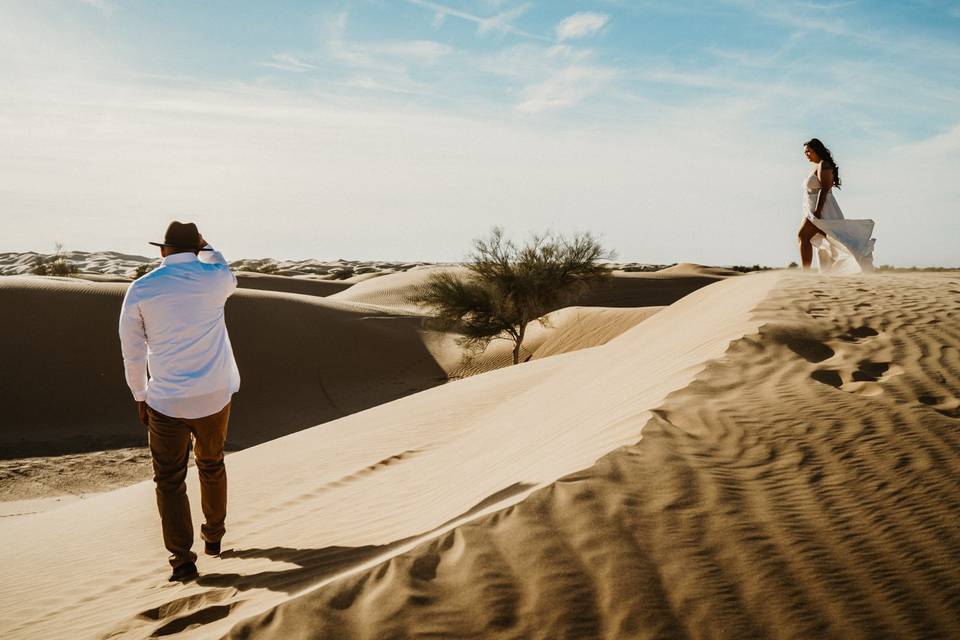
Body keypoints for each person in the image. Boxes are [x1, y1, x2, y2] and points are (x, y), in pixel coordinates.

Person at [118, 221, 241, 582]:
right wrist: (208, 245)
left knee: (169, 479)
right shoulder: (215, 279)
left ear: (162, 250)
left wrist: (140, 395)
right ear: (197, 246)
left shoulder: (141, 289)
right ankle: (214, 537)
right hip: (215, 395)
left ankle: (182, 559)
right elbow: (224, 267)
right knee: (212, 463)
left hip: (167, 401)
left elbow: (133, 352)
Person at [797, 138, 876, 273]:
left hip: (822, 211)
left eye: (808, 151)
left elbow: (825, 189)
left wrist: (817, 211)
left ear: (816, 150)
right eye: (805, 152)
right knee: (834, 242)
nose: (806, 155)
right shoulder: (816, 167)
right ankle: (856, 268)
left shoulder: (824, 164)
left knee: (803, 236)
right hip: (813, 211)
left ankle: (805, 273)